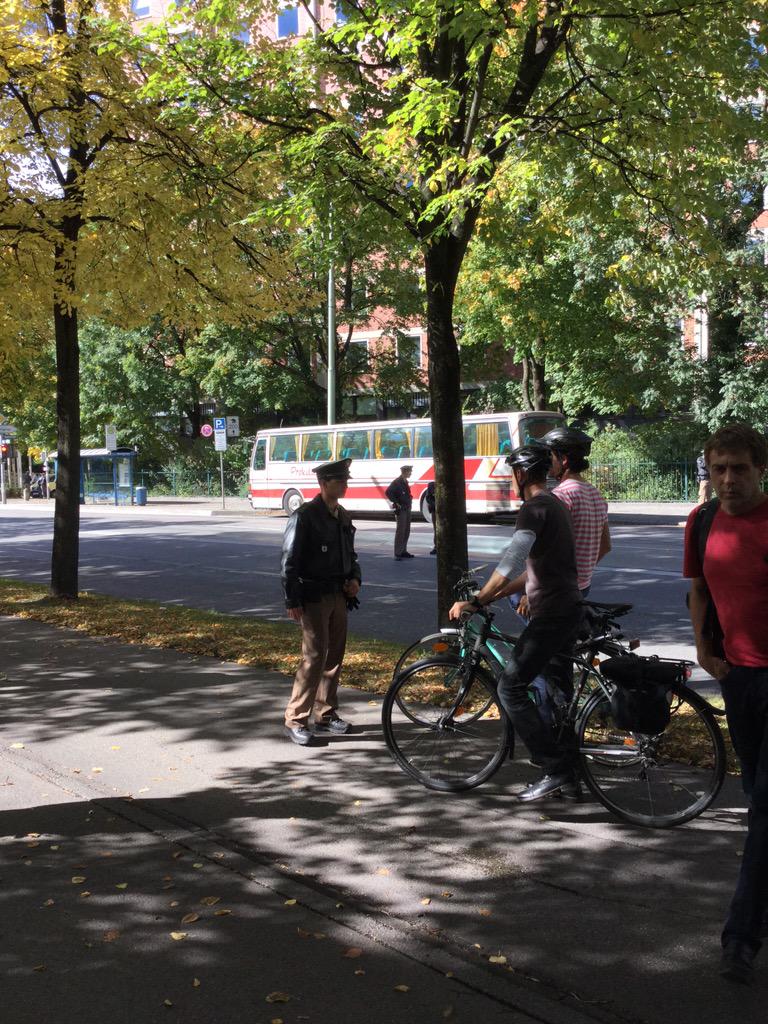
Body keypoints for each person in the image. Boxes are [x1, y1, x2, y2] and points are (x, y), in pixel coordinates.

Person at [449, 443, 583, 801]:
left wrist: (476, 600)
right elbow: (530, 573)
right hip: (568, 608)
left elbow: (511, 560)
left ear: (521, 474)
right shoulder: (555, 506)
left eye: (512, 473)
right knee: (557, 697)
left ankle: (554, 769)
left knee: (510, 688)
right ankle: (570, 777)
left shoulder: (534, 509)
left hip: (552, 615)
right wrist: (490, 596)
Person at [683, 423, 768, 985]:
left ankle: (740, 937)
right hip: (739, 680)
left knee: (765, 807)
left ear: (760, 468)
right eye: (719, 469)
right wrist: (705, 651)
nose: (729, 479)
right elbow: (699, 589)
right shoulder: (703, 520)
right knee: (757, 797)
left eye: (739, 468)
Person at [281, 458, 362, 746]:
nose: (345, 485)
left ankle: (326, 714)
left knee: (334, 657)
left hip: (338, 594)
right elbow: (289, 560)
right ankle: (296, 718)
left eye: (346, 480)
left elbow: (351, 556)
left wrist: (355, 579)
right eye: (340, 481)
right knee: (314, 657)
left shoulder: (342, 515)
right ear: (324, 483)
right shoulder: (305, 515)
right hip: (313, 596)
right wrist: (292, 598)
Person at [540, 426, 611, 597]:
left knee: (514, 597)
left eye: (550, 455)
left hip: (559, 588)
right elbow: (606, 546)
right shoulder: (596, 494)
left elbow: (551, 550)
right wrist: (583, 571)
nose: (547, 461)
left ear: (563, 459)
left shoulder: (561, 495)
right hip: (583, 586)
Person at [385, 465, 415, 560]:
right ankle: (398, 553)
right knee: (401, 531)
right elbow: (388, 492)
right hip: (401, 509)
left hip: (407, 508)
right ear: (405, 472)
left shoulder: (405, 481)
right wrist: (396, 502)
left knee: (406, 530)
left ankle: (403, 550)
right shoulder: (397, 482)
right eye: (409, 471)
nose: (411, 473)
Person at [425, 480, 436, 554]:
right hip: (435, 510)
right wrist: (435, 505)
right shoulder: (432, 485)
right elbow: (428, 497)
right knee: (436, 529)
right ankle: (436, 547)